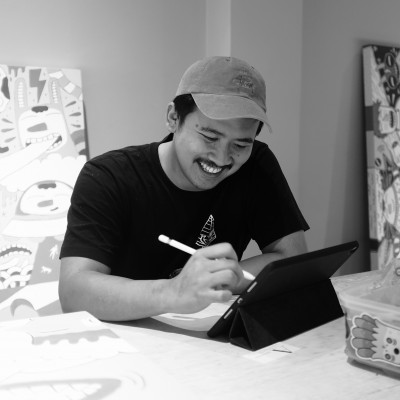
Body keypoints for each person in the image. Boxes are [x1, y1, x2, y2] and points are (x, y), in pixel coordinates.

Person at [59, 56, 309, 321]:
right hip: (126, 336)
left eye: (240, 144)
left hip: (206, 337)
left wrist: (219, 280)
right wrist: (174, 292)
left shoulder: (255, 165)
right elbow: (74, 293)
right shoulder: (108, 176)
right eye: (210, 137)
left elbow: (292, 259)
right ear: (173, 118)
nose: (222, 158)